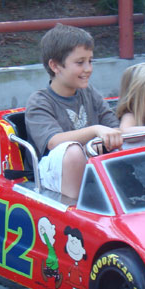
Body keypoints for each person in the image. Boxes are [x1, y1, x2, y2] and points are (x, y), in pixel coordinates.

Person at [25, 23, 122, 199]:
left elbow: (113, 126)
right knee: (73, 152)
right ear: (55, 66)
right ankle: (74, 206)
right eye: (80, 62)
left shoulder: (89, 92)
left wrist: (108, 137)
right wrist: (95, 131)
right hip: (51, 174)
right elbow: (54, 142)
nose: (88, 69)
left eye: (90, 61)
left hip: (90, 162)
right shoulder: (39, 101)